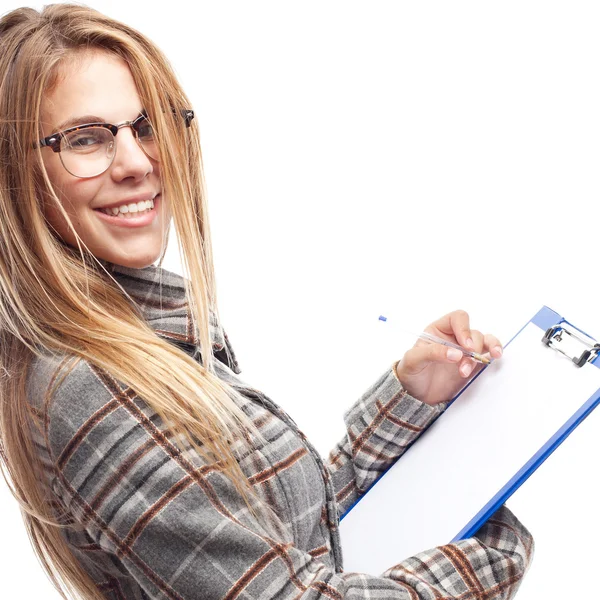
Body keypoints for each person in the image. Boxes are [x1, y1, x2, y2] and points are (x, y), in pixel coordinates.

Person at [0, 4, 533, 599]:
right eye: (86, 138)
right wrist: (489, 561)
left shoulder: (141, 338)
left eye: (149, 127)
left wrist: (405, 403)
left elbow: (282, 540)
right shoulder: (93, 384)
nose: (137, 162)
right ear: (15, 171)